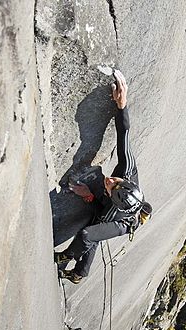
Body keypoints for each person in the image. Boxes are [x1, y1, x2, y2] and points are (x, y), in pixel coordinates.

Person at [54, 70, 152, 283]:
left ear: (113, 198)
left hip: (123, 223)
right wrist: (122, 105)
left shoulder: (114, 211)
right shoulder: (128, 170)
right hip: (126, 204)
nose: (110, 180)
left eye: (111, 187)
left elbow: (91, 230)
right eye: (115, 181)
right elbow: (124, 134)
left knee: (90, 234)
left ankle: (68, 260)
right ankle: (80, 274)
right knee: (94, 234)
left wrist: (88, 195)